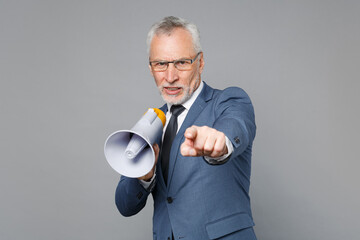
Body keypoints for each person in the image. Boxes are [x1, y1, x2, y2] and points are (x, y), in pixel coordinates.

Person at [115, 16, 257, 240]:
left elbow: (235, 126)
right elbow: (125, 205)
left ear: (200, 62)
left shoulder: (229, 101)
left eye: (181, 62)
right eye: (161, 64)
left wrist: (221, 144)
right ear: (151, 68)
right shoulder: (151, 123)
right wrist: (144, 176)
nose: (170, 77)